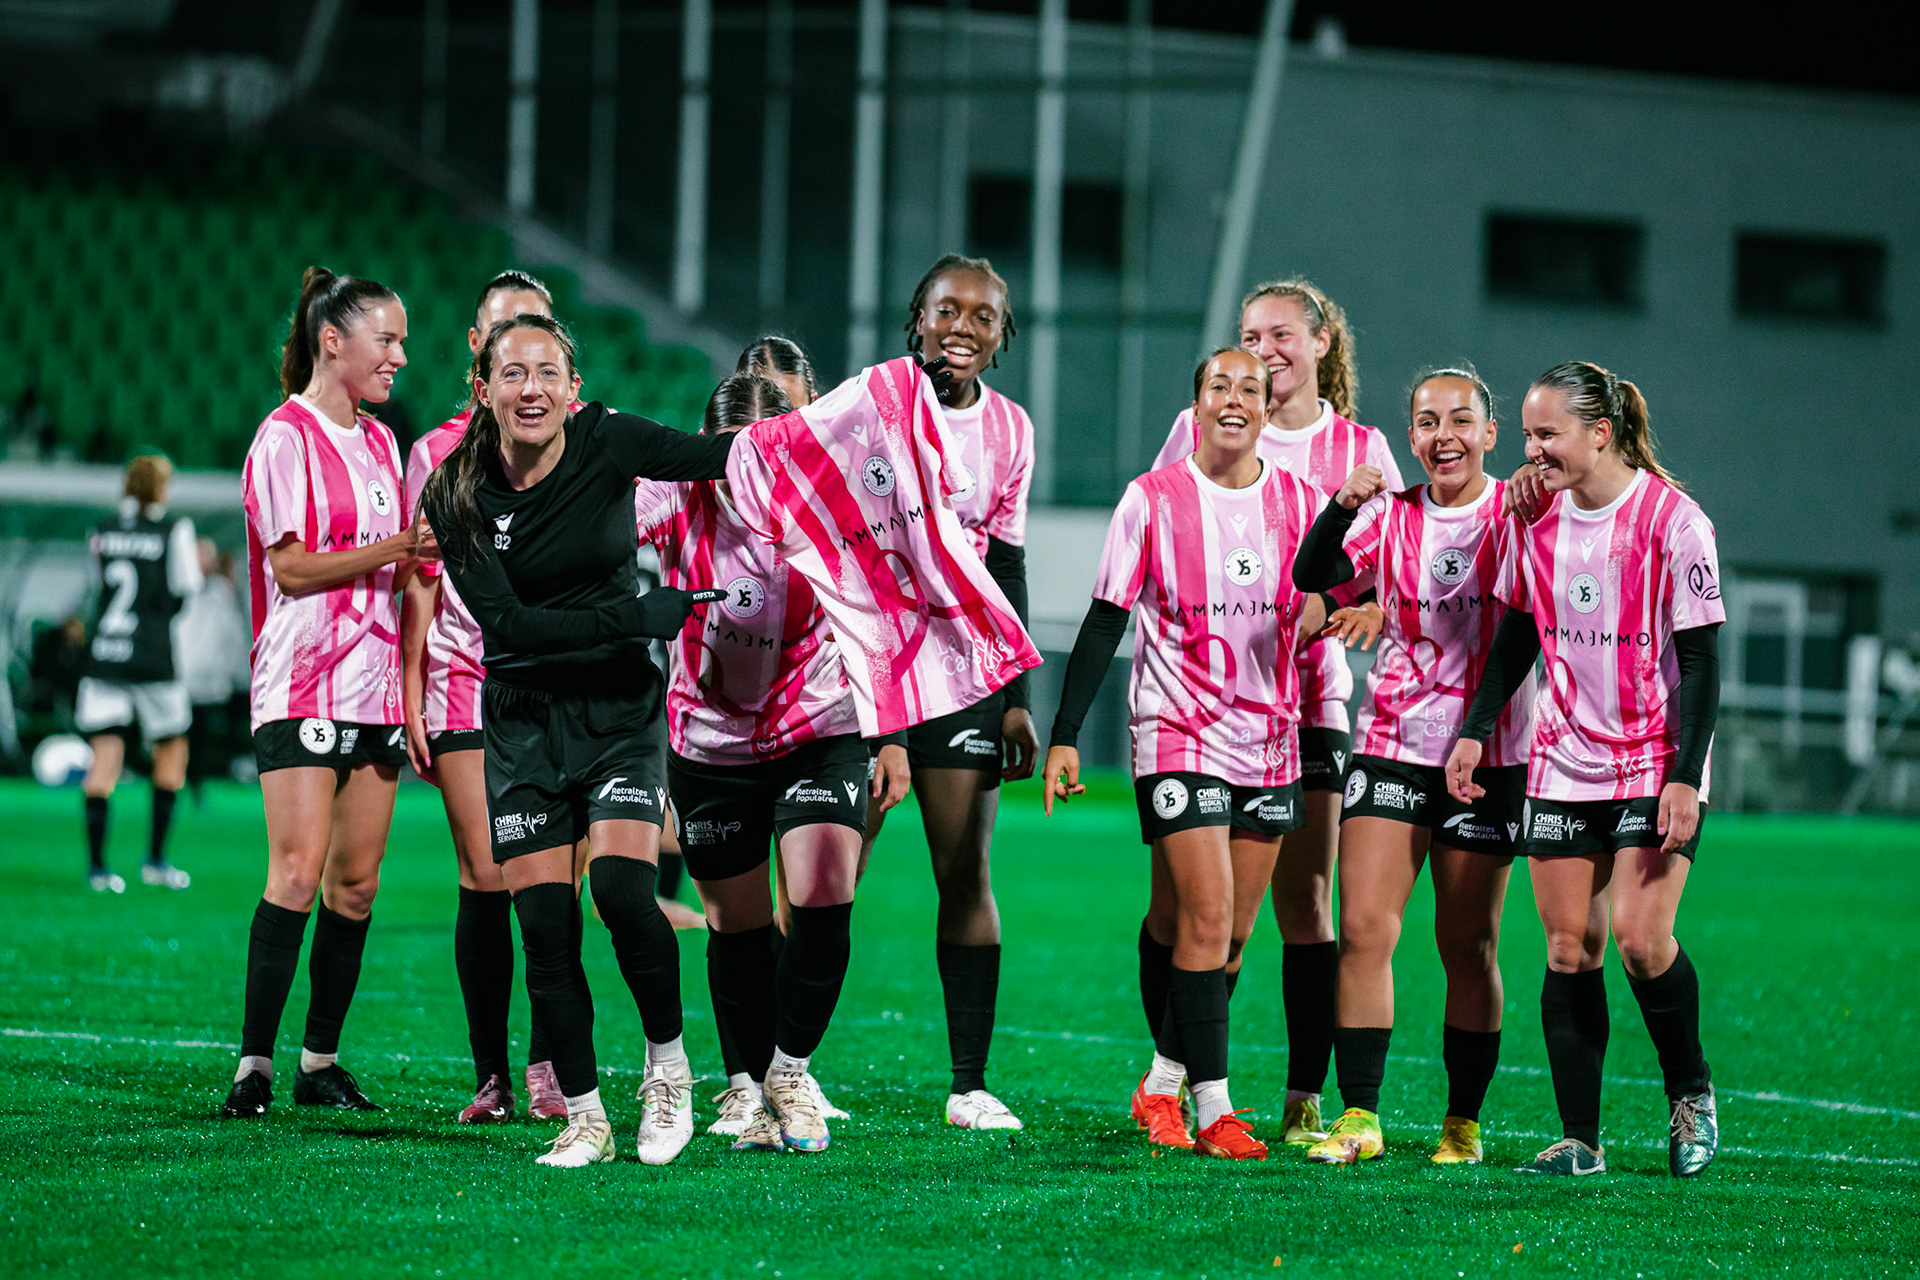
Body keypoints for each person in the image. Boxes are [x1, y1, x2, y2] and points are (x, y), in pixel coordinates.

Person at [421, 312, 736, 1168]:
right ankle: (587, 1117)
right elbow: (508, 627)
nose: (532, 388)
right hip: (522, 722)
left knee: (625, 894)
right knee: (545, 929)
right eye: (513, 373)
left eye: (548, 372)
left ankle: (668, 1074)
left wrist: (822, 425)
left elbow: (721, 457)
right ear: (483, 390)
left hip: (616, 711)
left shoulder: (612, 440)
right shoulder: (452, 493)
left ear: (574, 388)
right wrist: (636, 615)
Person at [1044, 348, 1328, 1161]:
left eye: (1250, 389)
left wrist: (1354, 609)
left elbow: (1346, 585)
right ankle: (1216, 1110)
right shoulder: (1152, 498)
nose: (1234, 400)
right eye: (1218, 387)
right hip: (1178, 733)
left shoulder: (1303, 505)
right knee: (1204, 916)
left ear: (1268, 412)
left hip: (1270, 741)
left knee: (1223, 935)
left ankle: (1161, 1085)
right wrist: (1066, 734)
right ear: (1195, 407)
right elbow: (1105, 620)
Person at [1445, 361, 1723, 1179]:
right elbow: (1521, 633)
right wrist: (1476, 729)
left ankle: (1692, 1094)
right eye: (1528, 435)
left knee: (1642, 940)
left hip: (1653, 759)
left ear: (1599, 433)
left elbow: (1702, 661)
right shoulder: (1534, 525)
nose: (1531, 452)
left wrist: (1684, 774)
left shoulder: (1676, 522)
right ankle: (1581, 1140)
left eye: (1545, 435)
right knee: (1570, 948)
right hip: (1563, 761)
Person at [1149, 279, 1402, 1145]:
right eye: (1251, 335)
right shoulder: (1198, 425)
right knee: (1188, 912)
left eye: (1283, 334)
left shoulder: (1360, 448)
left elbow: (1403, 567)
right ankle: (1174, 1080)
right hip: (1202, 707)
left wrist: (1374, 609)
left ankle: (1300, 1095)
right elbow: (1160, 531)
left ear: (1323, 341)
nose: (1264, 350)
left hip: (1312, 701)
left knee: (1304, 902)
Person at [638, 373, 910, 1154]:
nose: (756, 475)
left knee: (826, 884)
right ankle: (747, 1088)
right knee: (738, 923)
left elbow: (885, 613)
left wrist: (891, 733)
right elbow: (594, 522)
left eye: (773, 454)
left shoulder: (836, 507)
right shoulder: (672, 501)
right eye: (736, 458)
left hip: (816, 723)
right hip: (710, 743)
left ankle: (791, 1070)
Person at [1290, 367, 1533, 1166]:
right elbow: (1311, 575)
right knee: (1361, 928)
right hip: (1393, 739)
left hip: (1490, 755)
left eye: (1461, 419)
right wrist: (1342, 503)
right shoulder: (1389, 516)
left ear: (1492, 434)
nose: (1444, 436)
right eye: (1427, 422)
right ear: (1411, 438)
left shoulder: (1521, 515)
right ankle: (1361, 1114)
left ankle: (1461, 1124)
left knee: (1468, 946)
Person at [222, 268, 425, 1119]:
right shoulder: (284, 437)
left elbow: (413, 568)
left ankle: (320, 1062)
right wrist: (391, 550)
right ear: (332, 341)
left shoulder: (382, 443)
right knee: (297, 874)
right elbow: (293, 567)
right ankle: (253, 1068)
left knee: (357, 886)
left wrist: (413, 696)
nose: (400, 357)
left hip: (376, 691)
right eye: (387, 339)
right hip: (302, 685)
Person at [859, 255, 1037, 1132]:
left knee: (965, 871)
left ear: (1003, 336)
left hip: (964, 676)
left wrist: (1014, 696)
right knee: (828, 871)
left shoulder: (1012, 429)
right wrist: (880, 711)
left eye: (983, 316)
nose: (963, 326)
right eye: (946, 310)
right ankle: (774, 1073)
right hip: (864, 669)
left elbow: (1005, 563)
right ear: (916, 318)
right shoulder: (871, 407)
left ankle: (968, 1086)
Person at [402, 269, 571, 1126]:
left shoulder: (578, 442)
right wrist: (410, 693)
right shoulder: (434, 454)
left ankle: (549, 1067)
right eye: (504, 336)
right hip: (466, 678)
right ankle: (493, 1076)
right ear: (478, 351)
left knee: (551, 877)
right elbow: (422, 583)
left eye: (537, 335)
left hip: (556, 688)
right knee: (484, 872)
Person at [75, 454, 203, 892]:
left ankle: (97, 869)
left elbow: (95, 589)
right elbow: (184, 590)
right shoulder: (174, 529)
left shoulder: (102, 529)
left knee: (103, 761)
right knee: (171, 751)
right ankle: (155, 861)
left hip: (106, 654)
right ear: (159, 488)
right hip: (152, 657)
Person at [178, 538, 252, 800]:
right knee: (178, 735)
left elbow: (230, 634)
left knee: (203, 736)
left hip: (211, 680)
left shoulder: (221, 591)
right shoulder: (180, 585)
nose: (204, 561)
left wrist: (233, 673)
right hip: (183, 677)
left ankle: (198, 782)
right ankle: (176, 781)